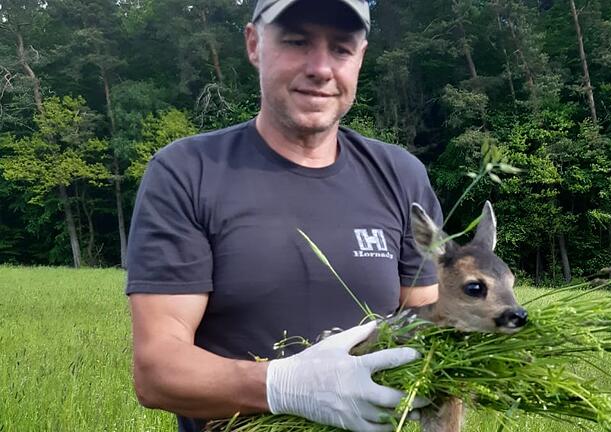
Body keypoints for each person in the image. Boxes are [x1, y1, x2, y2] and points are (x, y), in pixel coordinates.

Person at [125, 0, 443, 431]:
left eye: (341, 49)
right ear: (254, 44)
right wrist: (285, 385)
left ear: (361, 58)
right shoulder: (187, 172)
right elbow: (157, 372)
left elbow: (430, 335)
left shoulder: (401, 176)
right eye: (297, 42)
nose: (320, 68)